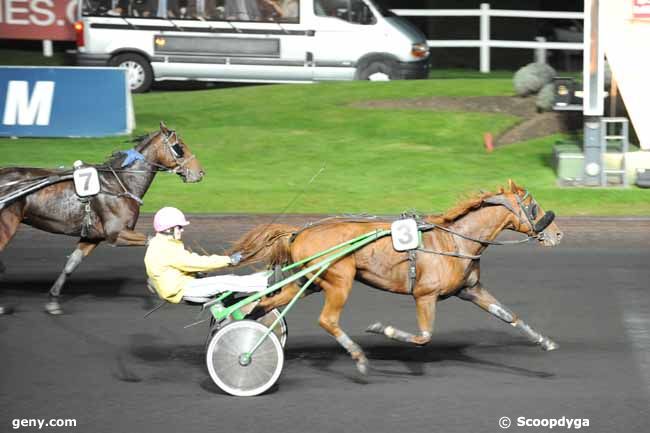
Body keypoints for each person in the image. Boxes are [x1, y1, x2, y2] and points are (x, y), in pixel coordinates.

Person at [144, 207, 267, 304]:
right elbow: (195, 262)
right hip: (182, 289)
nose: (182, 230)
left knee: (228, 279)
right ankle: (266, 283)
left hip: (181, 285)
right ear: (168, 229)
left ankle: (263, 279)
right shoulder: (165, 248)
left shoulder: (161, 243)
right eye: (179, 227)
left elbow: (181, 265)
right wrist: (229, 260)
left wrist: (194, 273)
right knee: (226, 281)